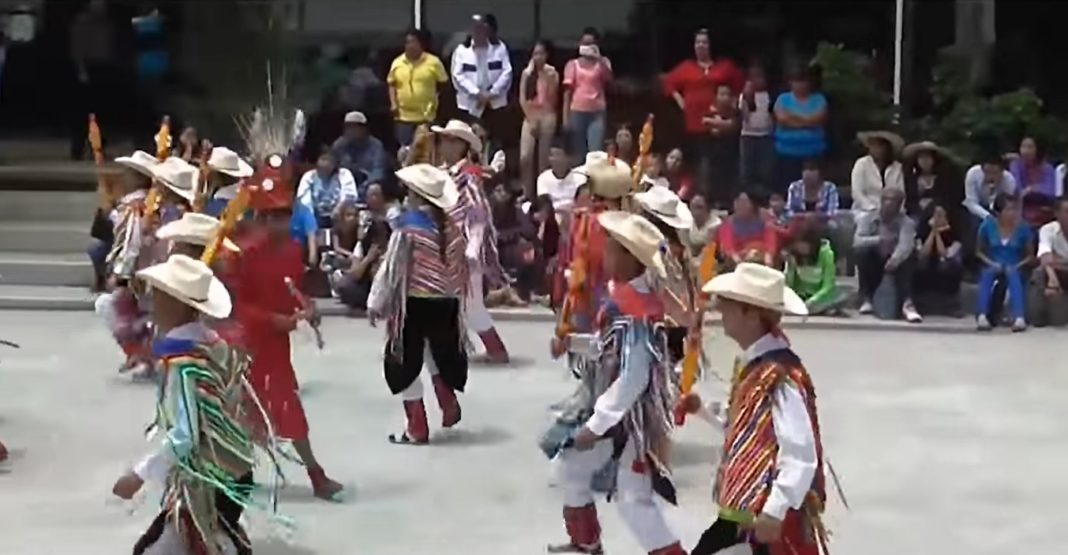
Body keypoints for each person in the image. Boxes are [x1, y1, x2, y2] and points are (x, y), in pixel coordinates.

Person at [113, 255, 277, 555]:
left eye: (159, 296)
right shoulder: (213, 344)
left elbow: (185, 434)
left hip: (209, 478)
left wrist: (139, 474)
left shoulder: (185, 362)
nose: (153, 303)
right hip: (234, 470)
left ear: (178, 304)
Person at [546, 211, 684, 555]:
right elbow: (611, 350)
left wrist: (596, 425)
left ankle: (591, 543)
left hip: (630, 421)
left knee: (633, 500)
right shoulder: (624, 299)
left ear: (629, 258)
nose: (603, 256)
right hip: (620, 418)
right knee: (572, 469)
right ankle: (586, 543)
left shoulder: (634, 311)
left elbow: (632, 377)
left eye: (610, 250)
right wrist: (574, 343)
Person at [680, 263, 828, 555]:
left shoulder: (779, 374)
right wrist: (704, 411)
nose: (721, 313)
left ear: (751, 314)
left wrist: (775, 509)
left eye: (728, 306)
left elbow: (800, 451)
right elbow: (748, 428)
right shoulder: (754, 365)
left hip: (759, 511)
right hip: (743, 509)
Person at [231, 160, 343, 500]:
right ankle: (236, 473)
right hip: (247, 346)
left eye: (285, 214)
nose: (281, 221)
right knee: (241, 412)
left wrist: (308, 309)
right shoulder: (243, 253)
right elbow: (236, 305)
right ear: (261, 218)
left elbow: (292, 291)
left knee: (288, 407)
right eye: (274, 215)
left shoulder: (294, 250)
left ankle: (315, 473)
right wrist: (271, 320)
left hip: (276, 348)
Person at [368, 164, 468, 444]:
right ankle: (447, 402)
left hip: (413, 303)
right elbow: (460, 268)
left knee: (404, 361)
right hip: (446, 302)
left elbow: (393, 268)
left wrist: (377, 301)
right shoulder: (451, 227)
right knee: (436, 352)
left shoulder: (408, 228)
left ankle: (417, 427)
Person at [433, 119, 510, 363]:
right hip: (446, 247)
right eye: (443, 139)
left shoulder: (468, 177)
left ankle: (496, 350)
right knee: (447, 301)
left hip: (464, 249)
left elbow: (478, 214)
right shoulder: (445, 173)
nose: (442, 144)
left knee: (471, 306)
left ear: (460, 146)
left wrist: (473, 250)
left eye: (447, 139)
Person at [551, 164, 632, 358]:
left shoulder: (587, 218)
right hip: (598, 289)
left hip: (598, 289)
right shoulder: (591, 219)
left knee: (601, 350)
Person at [95, 150, 156, 374]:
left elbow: (132, 242)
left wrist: (121, 274)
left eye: (128, 173)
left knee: (114, 308)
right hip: (145, 269)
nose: (123, 176)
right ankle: (142, 356)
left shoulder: (137, 206)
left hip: (138, 271)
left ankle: (142, 356)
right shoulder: (140, 203)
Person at [663, 28, 744, 186]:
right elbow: (668, 83)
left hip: (719, 125)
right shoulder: (687, 67)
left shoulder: (724, 66)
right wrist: (681, 101)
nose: (701, 45)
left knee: (720, 165)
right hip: (693, 125)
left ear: (711, 45)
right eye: (698, 42)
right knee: (699, 167)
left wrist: (733, 104)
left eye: (704, 42)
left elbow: (740, 83)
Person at [634, 186, 697, 365]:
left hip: (660, 323)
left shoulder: (654, 249)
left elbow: (658, 286)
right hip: (680, 324)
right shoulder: (681, 250)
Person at [853, 188, 923, 322]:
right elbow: (857, 241)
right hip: (875, 257)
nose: (889, 203)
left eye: (893, 201)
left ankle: (907, 304)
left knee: (909, 257)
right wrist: (879, 240)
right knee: (861, 252)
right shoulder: (869, 218)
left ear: (900, 204)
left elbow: (906, 245)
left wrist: (894, 260)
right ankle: (866, 299)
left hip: (896, 261)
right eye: (886, 199)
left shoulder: (906, 222)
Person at [975, 194, 1034, 331]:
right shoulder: (987, 225)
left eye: (1014, 209)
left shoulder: (1023, 227)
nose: (1012, 213)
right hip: (993, 263)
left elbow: (1030, 256)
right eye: (1008, 210)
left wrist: (1017, 265)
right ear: (998, 212)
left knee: (1013, 276)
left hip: (1015, 264)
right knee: (986, 275)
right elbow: (979, 252)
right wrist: (991, 263)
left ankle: (1019, 317)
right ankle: (982, 316)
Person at [388, 27, 449, 146]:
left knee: (425, 149)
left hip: (425, 116)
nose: (409, 45)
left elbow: (443, 84)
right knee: (405, 149)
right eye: (407, 42)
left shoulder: (433, 62)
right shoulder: (397, 62)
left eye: (413, 42)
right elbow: (392, 84)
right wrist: (393, 104)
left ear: (421, 44)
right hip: (403, 117)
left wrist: (435, 100)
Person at [450, 13, 512, 129]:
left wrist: (491, 93)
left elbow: (506, 72)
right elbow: (458, 76)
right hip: (469, 104)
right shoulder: (462, 50)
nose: (478, 32)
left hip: (495, 103)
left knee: (496, 137)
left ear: (487, 29)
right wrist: (477, 93)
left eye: (482, 28)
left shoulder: (499, 48)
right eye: (475, 28)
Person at [773, 67, 828, 192]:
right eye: (796, 81)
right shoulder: (783, 99)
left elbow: (818, 119)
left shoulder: (819, 99)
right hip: (786, 152)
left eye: (803, 81)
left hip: (813, 152)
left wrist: (793, 117)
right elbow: (782, 119)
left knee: (813, 188)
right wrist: (808, 121)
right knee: (786, 188)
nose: (800, 85)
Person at [563, 27, 613, 162]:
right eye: (584, 43)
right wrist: (565, 119)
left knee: (595, 153)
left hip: (597, 113)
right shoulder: (572, 64)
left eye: (590, 43)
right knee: (578, 153)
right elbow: (567, 93)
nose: (587, 46)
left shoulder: (603, 63)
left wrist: (600, 59)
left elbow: (609, 80)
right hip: (577, 112)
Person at [520, 39, 560, 191]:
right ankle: (527, 191)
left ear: (546, 55)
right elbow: (522, 99)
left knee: (543, 159)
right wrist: (532, 120)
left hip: (547, 116)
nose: (538, 57)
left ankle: (543, 193)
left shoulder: (552, 73)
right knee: (526, 157)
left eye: (541, 53)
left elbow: (552, 99)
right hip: (530, 117)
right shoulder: (526, 73)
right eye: (535, 54)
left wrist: (548, 79)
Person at [491, 183, 539, 303]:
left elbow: (529, 230)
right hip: (491, 247)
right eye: (497, 191)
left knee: (526, 248)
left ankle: (520, 291)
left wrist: (508, 235)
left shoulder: (516, 211)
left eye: (502, 192)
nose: (499, 195)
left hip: (510, 247)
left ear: (508, 195)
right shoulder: (487, 210)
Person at [913, 204, 964, 315]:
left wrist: (938, 233)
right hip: (927, 261)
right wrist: (933, 231)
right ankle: (918, 303)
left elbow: (944, 253)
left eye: (941, 215)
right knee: (920, 264)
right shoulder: (922, 231)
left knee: (948, 265)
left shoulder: (955, 233)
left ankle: (951, 304)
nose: (938, 219)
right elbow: (923, 252)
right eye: (935, 215)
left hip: (946, 262)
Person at [784, 227, 844, 315]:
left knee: (838, 296)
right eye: (797, 245)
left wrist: (813, 300)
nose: (800, 248)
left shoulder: (826, 253)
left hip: (820, 296)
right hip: (801, 296)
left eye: (803, 244)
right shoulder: (794, 256)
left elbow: (828, 285)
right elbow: (789, 284)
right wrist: (790, 267)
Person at [1029, 197, 1068, 327]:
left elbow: (1050, 259)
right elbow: (1045, 257)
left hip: (1061, 269)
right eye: (1067, 211)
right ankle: (1038, 316)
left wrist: (1056, 259)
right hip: (1056, 272)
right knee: (1039, 272)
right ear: (1057, 214)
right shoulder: (1047, 229)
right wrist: (1052, 279)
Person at [331, 111, 388, 198]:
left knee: (375, 188)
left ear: (364, 129)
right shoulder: (339, 145)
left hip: (366, 186)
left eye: (353, 127)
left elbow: (378, 172)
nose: (349, 131)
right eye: (347, 127)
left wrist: (363, 187)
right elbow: (332, 170)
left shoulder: (376, 145)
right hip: (344, 186)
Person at [902, 141, 962, 222]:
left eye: (927, 157)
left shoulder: (946, 177)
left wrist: (933, 205)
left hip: (942, 214)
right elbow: (908, 200)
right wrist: (919, 206)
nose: (924, 161)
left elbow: (952, 198)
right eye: (921, 158)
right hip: (916, 214)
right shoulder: (911, 178)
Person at [850, 130, 905, 217]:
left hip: (893, 212)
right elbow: (857, 192)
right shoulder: (861, 164)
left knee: (907, 224)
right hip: (865, 210)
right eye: (873, 145)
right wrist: (872, 208)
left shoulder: (897, 167)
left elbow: (901, 193)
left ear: (887, 147)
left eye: (880, 145)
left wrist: (895, 210)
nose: (876, 149)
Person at [738, 64, 776, 190]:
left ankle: (765, 192)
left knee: (765, 168)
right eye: (753, 77)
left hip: (766, 135)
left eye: (759, 77)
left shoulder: (770, 95)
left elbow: (773, 114)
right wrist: (748, 97)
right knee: (747, 167)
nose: (756, 80)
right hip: (748, 136)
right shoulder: (744, 96)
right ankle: (747, 192)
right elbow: (745, 116)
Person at [296, 148, 359, 224]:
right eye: (323, 159)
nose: (326, 163)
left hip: (339, 216)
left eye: (329, 160)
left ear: (335, 162)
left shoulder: (344, 174)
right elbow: (303, 199)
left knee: (349, 215)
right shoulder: (309, 176)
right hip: (315, 217)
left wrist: (339, 209)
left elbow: (350, 196)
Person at [701, 83, 740, 205]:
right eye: (722, 94)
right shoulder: (708, 111)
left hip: (732, 154)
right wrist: (720, 123)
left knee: (730, 183)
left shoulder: (735, 112)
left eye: (728, 94)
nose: (725, 97)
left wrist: (715, 122)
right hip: (713, 155)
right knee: (711, 181)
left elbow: (733, 126)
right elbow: (713, 130)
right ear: (716, 96)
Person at [717, 191, 777, 269]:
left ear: (752, 204)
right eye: (737, 201)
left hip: (761, 261)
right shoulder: (728, 223)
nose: (740, 205)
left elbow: (770, 241)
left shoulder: (765, 219)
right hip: (737, 263)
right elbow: (728, 246)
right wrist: (738, 261)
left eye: (744, 202)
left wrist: (768, 256)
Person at [1010, 136, 1058, 226]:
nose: (1026, 151)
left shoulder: (1047, 168)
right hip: (1023, 207)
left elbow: (1051, 192)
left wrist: (1032, 189)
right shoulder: (1016, 165)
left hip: (1044, 207)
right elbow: (1017, 189)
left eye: (1030, 147)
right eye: (1023, 147)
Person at [537, 139, 586, 219]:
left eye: (558, 156)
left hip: (575, 217)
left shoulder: (580, 178)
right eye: (552, 155)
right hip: (553, 218)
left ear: (568, 158)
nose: (554, 159)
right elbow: (544, 205)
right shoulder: (543, 178)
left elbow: (583, 204)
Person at [685, 193, 722, 259]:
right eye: (692, 206)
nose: (695, 211)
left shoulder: (715, 225)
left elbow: (710, 251)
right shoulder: (686, 221)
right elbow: (686, 246)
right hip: (692, 258)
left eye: (699, 207)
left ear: (708, 208)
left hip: (711, 259)